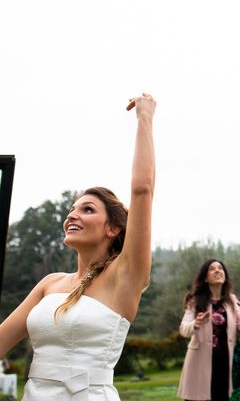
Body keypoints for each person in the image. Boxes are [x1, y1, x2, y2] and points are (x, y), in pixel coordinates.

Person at [0, 94, 156, 400]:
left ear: (113, 228)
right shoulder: (49, 284)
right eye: (72, 209)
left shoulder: (125, 277)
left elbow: (142, 191)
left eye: (87, 209)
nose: (72, 214)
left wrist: (144, 119)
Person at [177, 259, 240, 401]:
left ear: (225, 276)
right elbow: (184, 329)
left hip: (223, 364)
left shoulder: (231, 301)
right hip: (199, 365)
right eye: (212, 268)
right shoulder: (195, 301)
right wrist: (195, 324)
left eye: (220, 268)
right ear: (205, 278)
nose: (217, 270)